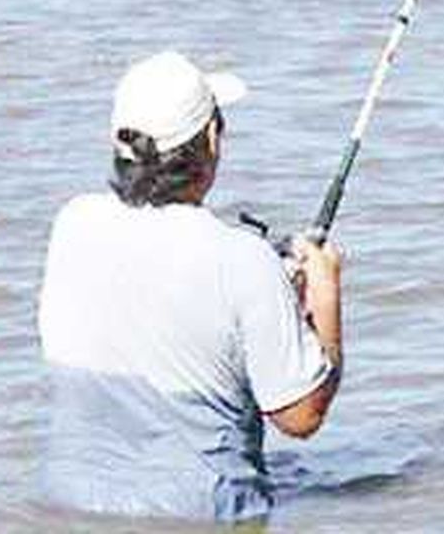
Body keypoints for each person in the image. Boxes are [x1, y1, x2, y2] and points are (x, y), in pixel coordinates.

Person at [37, 50, 343, 523]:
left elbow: (156, 303)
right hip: (202, 515)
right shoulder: (242, 260)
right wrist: (324, 293)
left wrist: (272, 296)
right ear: (212, 140)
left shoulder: (73, 223)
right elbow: (301, 416)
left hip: (73, 509)